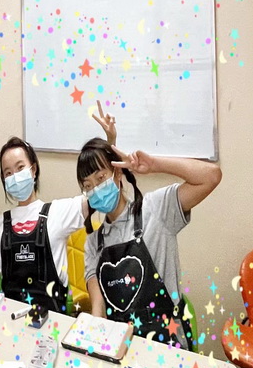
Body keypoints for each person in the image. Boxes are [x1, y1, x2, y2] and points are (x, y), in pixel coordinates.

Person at [77, 138, 221, 350]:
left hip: (167, 344)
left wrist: (154, 165)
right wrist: (92, 345)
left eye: (101, 178)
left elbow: (211, 176)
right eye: (88, 186)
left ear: (118, 173)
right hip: (121, 345)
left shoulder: (155, 209)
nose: (96, 190)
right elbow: (98, 308)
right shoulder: (93, 243)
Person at [0, 103, 116, 313]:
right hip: (9, 320)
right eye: (8, 173)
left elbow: (100, 190)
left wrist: (111, 143)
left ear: (33, 170)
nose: (15, 176)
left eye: (20, 168)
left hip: (51, 321)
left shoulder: (58, 212)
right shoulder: (0, 224)